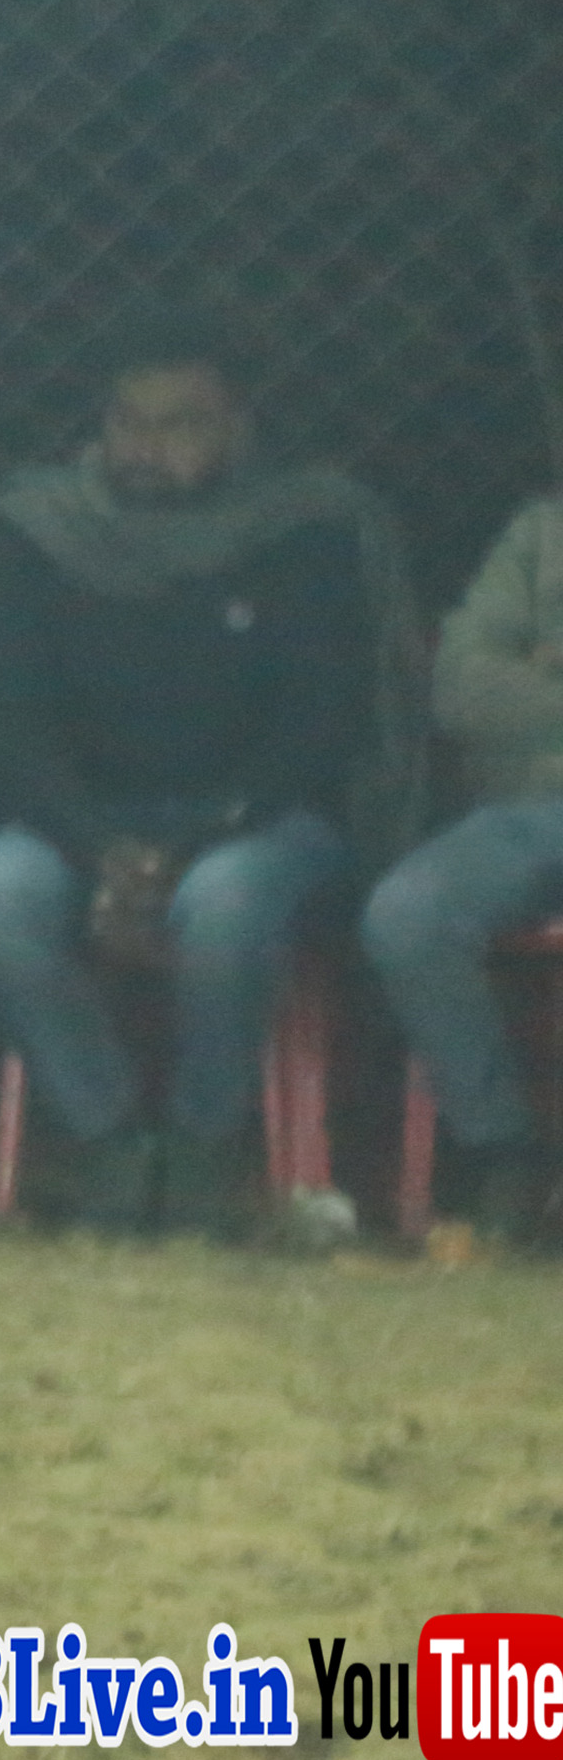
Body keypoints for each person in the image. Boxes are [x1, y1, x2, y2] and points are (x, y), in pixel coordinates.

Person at [0, 325, 411, 1239]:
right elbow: (2, 717)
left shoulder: (303, 530)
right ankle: (110, 1138)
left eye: (179, 423)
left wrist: (199, 839)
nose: (146, 447)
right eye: (128, 421)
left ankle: (202, 1146)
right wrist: (97, 846)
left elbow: (322, 721)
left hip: (257, 820)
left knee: (225, 903)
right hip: (82, 820)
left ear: (236, 427)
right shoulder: (43, 531)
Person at [362, 461, 563, 1251]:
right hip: (532, 809)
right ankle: (502, 1151)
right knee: (408, 913)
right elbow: (462, 691)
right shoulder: (542, 535)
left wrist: (541, 673)